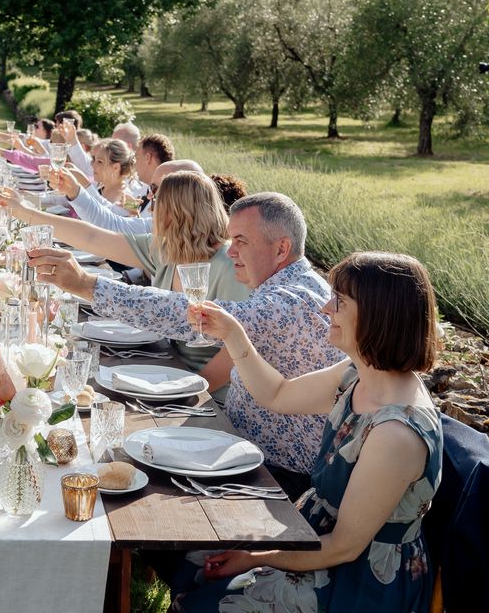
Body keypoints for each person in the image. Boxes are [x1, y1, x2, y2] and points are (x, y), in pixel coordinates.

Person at [174, 251, 442, 613]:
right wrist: (233, 334)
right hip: (315, 536)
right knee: (193, 560)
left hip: (358, 580)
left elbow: (344, 547)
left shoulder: (395, 435)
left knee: (209, 602)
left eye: (339, 302)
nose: (325, 308)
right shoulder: (357, 374)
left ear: (379, 315)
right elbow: (278, 394)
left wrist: (256, 557)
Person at [26, 192, 346, 490]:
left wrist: (87, 284)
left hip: (273, 475)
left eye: (241, 241)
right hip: (236, 447)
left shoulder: (290, 302)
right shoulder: (295, 285)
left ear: (281, 249)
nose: (231, 252)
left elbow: (187, 316)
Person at [0, 172, 249, 382]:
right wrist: (24, 213)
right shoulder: (167, 249)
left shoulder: (230, 265)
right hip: (164, 368)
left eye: (156, 202)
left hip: (204, 391)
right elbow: (92, 238)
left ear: (175, 212)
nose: (151, 209)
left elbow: (238, 352)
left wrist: (191, 389)